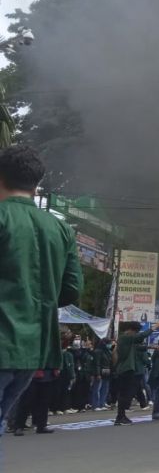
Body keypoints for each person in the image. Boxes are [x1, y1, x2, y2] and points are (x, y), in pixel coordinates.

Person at [0, 145, 83, 437]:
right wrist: (38, 300)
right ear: (36, 186)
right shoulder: (60, 230)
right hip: (33, 351)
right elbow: (72, 289)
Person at [113, 321, 155, 425]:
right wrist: (153, 328)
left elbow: (137, 346)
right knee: (124, 394)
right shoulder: (125, 338)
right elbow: (141, 336)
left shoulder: (126, 340)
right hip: (125, 369)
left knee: (126, 393)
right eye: (136, 332)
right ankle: (120, 417)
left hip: (126, 369)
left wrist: (150, 347)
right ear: (131, 330)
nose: (136, 334)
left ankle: (122, 416)